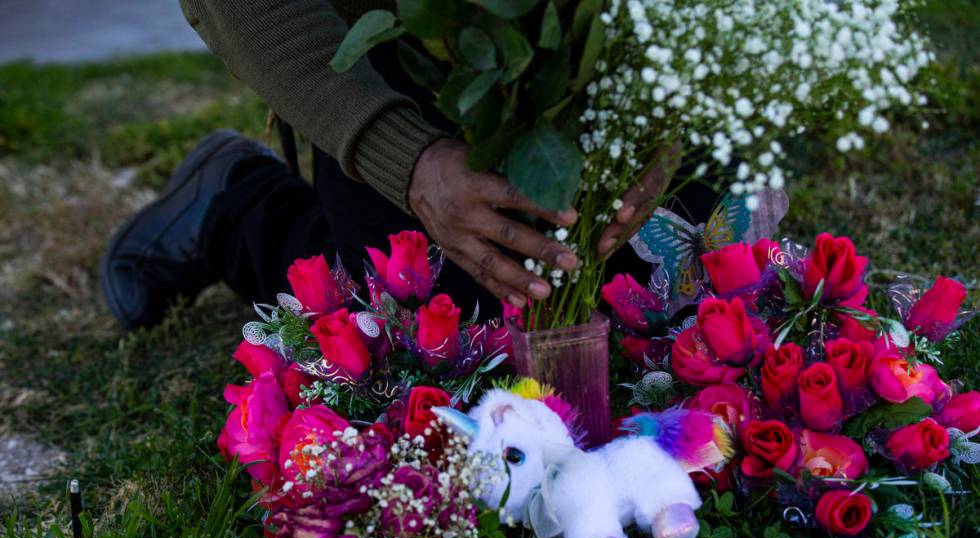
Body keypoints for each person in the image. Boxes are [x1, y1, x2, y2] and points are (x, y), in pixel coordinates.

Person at [100, 0, 707, 331]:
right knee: (444, 334)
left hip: (594, 42)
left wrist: (666, 107)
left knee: (679, 293)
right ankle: (240, 206)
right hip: (395, 54)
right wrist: (402, 155)